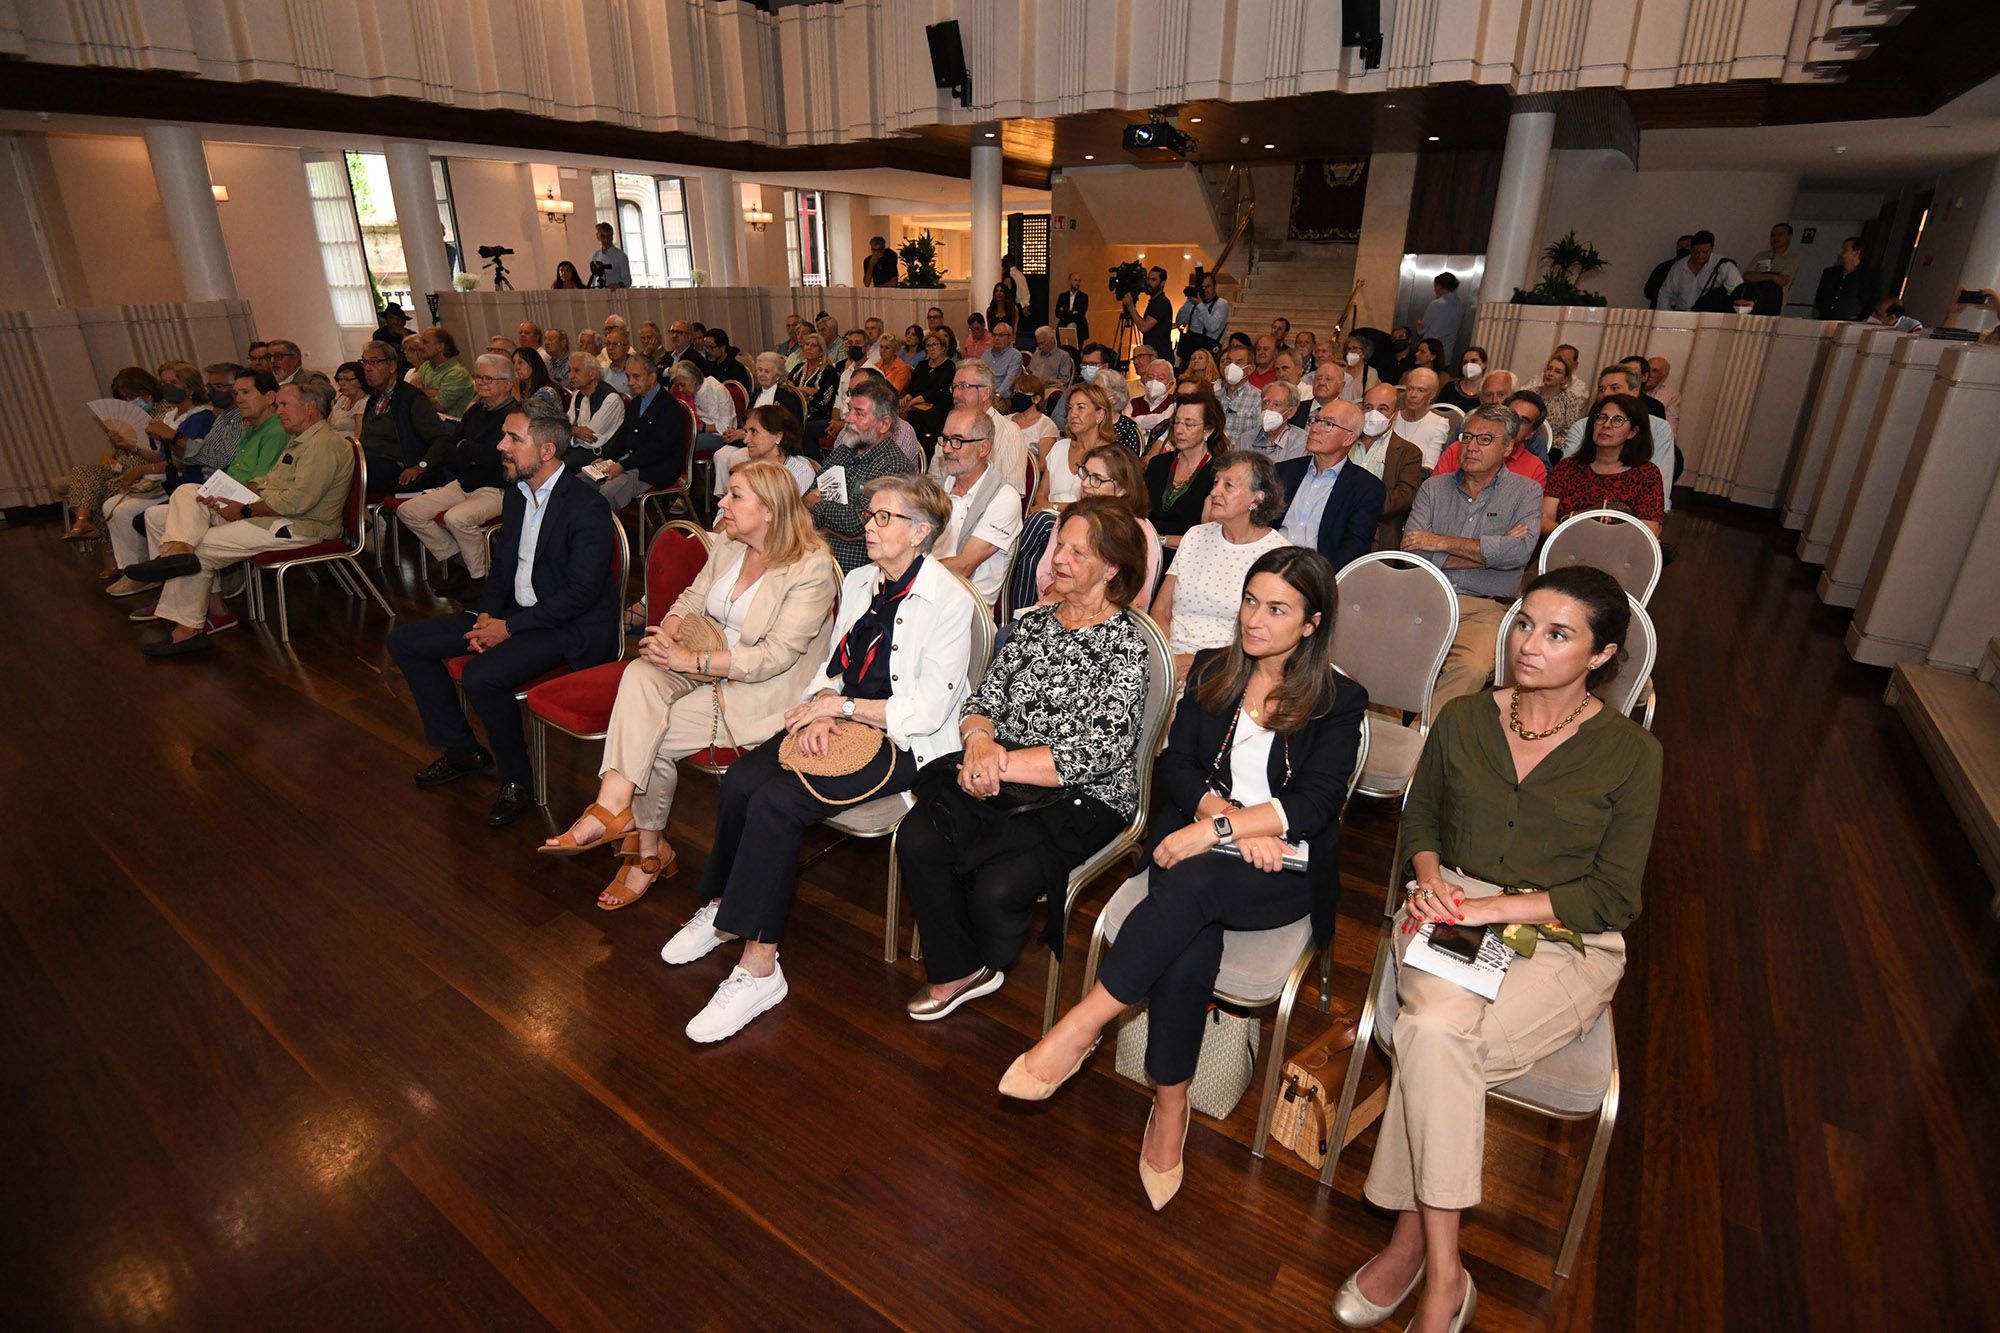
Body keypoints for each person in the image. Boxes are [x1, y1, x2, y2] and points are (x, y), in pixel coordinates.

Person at [1338, 565, 1660, 1333]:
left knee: (1429, 1040)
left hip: (1566, 938)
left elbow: (1615, 895)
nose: (1528, 644)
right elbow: (1421, 826)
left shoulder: (1632, 755)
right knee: (1440, 1033)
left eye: (1558, 634)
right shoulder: (1465, 719)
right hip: (1450, 906)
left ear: (1602, 655)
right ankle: (1448, 1273)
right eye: (1524, 623)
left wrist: (1496, 905)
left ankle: (1415, 1244)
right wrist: (1427, 879)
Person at [1003, 546, 1366, 1208]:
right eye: (1250, 602)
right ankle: (1171, 1107)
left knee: (1191, 880)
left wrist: (1220, 832)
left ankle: (1083, 1025)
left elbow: (1314, 804)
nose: (1255, 619)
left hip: (1283, 866)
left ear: (1312, 623)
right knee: (1189, 934)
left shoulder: (1339, 699)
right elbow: (1175, 766)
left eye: (1276, 609)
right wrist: (1227, 820)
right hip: (1220, 842)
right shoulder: (1214, 671)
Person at [660, 474, 978, 1040]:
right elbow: (832, 667)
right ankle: (725, 906)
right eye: (870, 515)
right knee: (739, 782)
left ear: (922, 532)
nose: (869, 526)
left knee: (778, 804)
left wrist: (844, 708)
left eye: (885, 518)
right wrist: (821, 708)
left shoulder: (949, 601)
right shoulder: (859, 581)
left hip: (906, 744)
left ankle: (760, 968)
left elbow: (927, 711)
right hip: (844, 718)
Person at [898, 498, 1154, 1021]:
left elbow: (1098, 751)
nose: (1058, 558)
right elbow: (983, 701)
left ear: (1111, 569)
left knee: (997, 886)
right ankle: (956, 969)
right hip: (1004, 771)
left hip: (1083, 794)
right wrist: (977, 744)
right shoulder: (1034, 624)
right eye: (1060, 544)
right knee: (919, 836)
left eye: (1076, 552)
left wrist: (997, 765)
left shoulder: (1127, 644)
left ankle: (988, 955)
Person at [545, 460, 841, 909]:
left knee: (651, 731)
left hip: (759, 690)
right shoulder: (729, 543)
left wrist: (689, 658)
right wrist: (669, 630)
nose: (721, 501)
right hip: (702, 664)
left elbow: (775, 657)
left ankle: (643, 850)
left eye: (735, 495)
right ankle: (616, 807)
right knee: (641, 674)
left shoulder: (811, 566)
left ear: (770, 511)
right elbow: (689, 598)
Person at [390, 399, 618, 826]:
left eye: (514, 438)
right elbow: (502, 570)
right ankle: (463, 749)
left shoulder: (585, 506)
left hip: (567, 625)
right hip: (517, 613)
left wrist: (508, 628)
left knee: (482, 675)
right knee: (405, 641)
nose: (501, 445)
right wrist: (484, 617)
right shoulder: (516, 496)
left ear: (546, 451)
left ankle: (518, 781)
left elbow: (580, 596)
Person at [126, 380, 354, 657]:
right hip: (269, 514)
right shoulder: (301, 439)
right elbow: (268, 479)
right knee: (188, 492)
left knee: (204, 547)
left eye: (284, 404)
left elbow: (298, 502)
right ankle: (178, 550)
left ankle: (187, 630)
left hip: (300, 527)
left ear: (310, 407)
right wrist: (244, 494)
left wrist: (245, 509)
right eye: (278, 404)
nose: (278, 410)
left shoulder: (323, 445)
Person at [1400, 413, 1545, 709]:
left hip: (1485, 607)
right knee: (1386, 649)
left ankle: (1420, 742)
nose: (1472, 446)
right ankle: (1381, 736)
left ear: (1507, 448)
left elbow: (1519, 553)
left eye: (1485, 439)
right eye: (1466, 437)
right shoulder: (1434, 488)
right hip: (1427, 597)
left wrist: (1438, 541)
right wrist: (1491, 554)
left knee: (1472, 667)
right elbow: (1413, 555)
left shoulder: (1525, 491)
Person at [1152, 450, 1291, 681]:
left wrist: (1198, 663)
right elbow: (1161, 609)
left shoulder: (1277, 555)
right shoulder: (1195, 536)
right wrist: (1167, 657)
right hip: (1169, 658)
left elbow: (1268, 638)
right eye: (1216, 483)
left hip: (1227, 668)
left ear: (1257, 498)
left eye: (1229, 486)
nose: (1215, 492)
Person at [396, 354, 520, 598]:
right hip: (465, 482)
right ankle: (465, 562)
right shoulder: (476, 412)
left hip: (498, 488)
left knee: (456, 518)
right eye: (478, 377)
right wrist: (469, 451)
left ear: (507, 384)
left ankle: (480, 578)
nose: (481, 383)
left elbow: (498, 459)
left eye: (488, 378)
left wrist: (467, 449)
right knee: (409, 511)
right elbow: (450, 447)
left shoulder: (515, 415)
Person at [809, 379, 916, 573]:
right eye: (849, 410)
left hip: (853, 571)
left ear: (883, 424)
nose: (848, 418)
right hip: (816, 555)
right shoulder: (843, 451)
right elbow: (805, 501)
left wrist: (818, 506)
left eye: (859, 413)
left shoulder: (894, 467)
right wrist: (830, 522)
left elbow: (856, 523)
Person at [1274, 399, 1385, 574]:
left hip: (1317, 575)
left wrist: (1320, 582)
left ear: (1349, 438)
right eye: (1315, 420)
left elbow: (1353, 549)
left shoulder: (1366, 488)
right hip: (1270, 564)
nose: (1315, 428)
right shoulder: (1283, 471)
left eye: (1328, 424)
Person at [933, 408, 1023, 603]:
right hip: (924, 593)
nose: (947, 449)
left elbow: (964, 565)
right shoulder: (937, 489)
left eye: (958, 441)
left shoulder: (1004, 498)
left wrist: (908, 570)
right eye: (946, 439)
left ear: (983, 448)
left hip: (967, 609)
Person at [1542, 394, 1665, 536]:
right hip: (1565, 546)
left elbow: (1649, 530)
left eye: (1618, 420)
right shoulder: (1568, 467)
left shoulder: (1647, 475)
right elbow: (1545, 519)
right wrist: (1573, 538)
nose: (1606, 425)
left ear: (1633, 432)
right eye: (1602, 417)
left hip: (1618, 553)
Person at [1556, 366, 1678, 504]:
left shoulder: (1659, 428)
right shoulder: (1581, 426)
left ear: (1635, 392)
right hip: (1579, 504)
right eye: (1601, 389)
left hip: (1634, 507)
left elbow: (1661, 483)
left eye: (1614, 388)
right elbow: (1569, 476)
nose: (1606, 394)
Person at [590, 355, 695, 511]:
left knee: (606, 493)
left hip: (656, 468)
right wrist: (606, 459)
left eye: (636, 377)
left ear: (652, 377)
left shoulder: (669, 407)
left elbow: (659, 449)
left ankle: (601, 534)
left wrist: (622, 465)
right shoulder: (637, 402)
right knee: (584, 481)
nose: (630, 382)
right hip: (634, 461)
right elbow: (624, 437)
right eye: (628, 376)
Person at [355, 340, 449, 496]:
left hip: (398, 466)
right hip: (370, 462)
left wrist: (421, 466)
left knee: (350, 469)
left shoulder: (411, 398)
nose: (367, 368)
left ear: (392, 366)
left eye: (375, 362)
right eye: (364, 362)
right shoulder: (374, 398)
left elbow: (441, 439)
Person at [929, 359, 1028, 495]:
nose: (955, 395)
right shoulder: (949, 429)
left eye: (964, 386)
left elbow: (1013, 491)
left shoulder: (1010, 433)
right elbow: (933, 481)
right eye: (954, 387)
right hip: (945, 506)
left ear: (986, 393)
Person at [1349, 381, 1425, 551]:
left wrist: (1354, 509)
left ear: (1395, 414)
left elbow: (1403, 497)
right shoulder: (1345, 442)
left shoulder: (1409, 453)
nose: (1373, 414)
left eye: (1382, 409)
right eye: (1368, 407)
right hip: (1335, 526)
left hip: (1377, 533)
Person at [1145, 393, 1224, 547]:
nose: (1179, 430)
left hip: (1190, 556)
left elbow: (1211, 536)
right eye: (1176, 422)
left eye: (1189, 425)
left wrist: (1158, 540)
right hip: (1146, 550)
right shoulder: (1158, 464)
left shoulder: (1218, 474)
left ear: (1208, 430)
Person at [1432, 399, 1547, 489]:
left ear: (1531, 433)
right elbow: (1434, 493)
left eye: (1523, 421)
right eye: (1509, 416)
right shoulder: (1458, 449)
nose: (1472, 447)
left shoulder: (1535, 468)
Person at [711, 403, 816, 499]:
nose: (745, 439)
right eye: (746, 432)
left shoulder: (799, 472)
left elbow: (795, 517)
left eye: (754, 432)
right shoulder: (746, 466)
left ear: (778, 437)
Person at [1658, 230, 1744, 312]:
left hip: (1710, 316)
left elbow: (1738, 293)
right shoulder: (1678, 267)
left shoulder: (1724, 266)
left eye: (1704, 252)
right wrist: (1664, 316)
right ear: (1691, 250)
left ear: (1711, 249)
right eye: (1696, 252)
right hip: (1682, 314)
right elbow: (1665, 293)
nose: (1700, 255)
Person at [563, 354, 626, 467]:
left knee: (562, 464)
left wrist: (570, 430)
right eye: (569, 370)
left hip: (599, 454)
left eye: (576, 371)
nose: (570, 376)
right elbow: (564, 424)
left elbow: (590, 439)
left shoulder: (611, 399)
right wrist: (575, 431)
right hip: (577, 448)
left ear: (592, 374)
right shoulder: (578, 394)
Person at [901, 331, 955, 447]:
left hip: (937, 409)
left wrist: (914, 401)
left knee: (914, 419)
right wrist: (909, 396)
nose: (931, 348)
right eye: (928, 346)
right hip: (915, 407)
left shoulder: (949, 366)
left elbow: (938, 391)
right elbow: (912, 387)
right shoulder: (922, 365)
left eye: (935, 344)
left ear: (943, 348)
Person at [1391, 368, 1452, 470]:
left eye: (1421, 390)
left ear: (1432, 395)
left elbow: (1429, 468)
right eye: (1410, 389)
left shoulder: (1438, 424)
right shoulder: (1392, 418)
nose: (1413, 395)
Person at [1814, 236, 1881, 322]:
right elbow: (1820, 296)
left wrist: (1859, 317)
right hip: (1824, 320)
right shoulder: (1829, 273)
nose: (1840, 253)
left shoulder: (1869, 276)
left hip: (1851, 323)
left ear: (1856, 253)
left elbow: (1872, 302)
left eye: (1844, 250)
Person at [414, 328, 475, 418]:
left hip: (453, 425)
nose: (420, 346)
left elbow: (440, 406)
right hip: (432, 422)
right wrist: (434, 392)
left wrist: (419, 392)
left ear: (440, 347)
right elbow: (411, 390)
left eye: (425, 342)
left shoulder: (456, 373)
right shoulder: (426, 366)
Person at [1176, 270, 1230, 369]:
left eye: (1208, 286)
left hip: (1209, 355)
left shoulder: (1222, 304)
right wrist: (1189, 301)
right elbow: (1179, 321)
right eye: (1202, 287)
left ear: (1215, 286)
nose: (1205, 290)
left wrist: (1200, 305)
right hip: (1190, 354)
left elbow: (1212, 326)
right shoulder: (1194, 302)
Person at [1124, 265, 1176, 365]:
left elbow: (1144, 327)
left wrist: (1131, 307)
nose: (1149, 283)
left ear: (1162, 283)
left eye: (1153, 280)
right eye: (1148, 279)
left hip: (1161, 359)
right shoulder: (1154, 301)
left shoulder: (1162, 303)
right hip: (1153, 357)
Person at [1246, 380, 1307, 464]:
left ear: (1291, 412)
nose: (1268, 408)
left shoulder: (1301, 441)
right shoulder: (1245, 439)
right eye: (1265, 403)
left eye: (1276, 404)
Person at [1744, 222, 1801, 304]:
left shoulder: (1793, 258)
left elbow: (1782, 280)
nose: (1776, 238)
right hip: (1754, 300)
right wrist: (1772, 276)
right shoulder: (1761, 255)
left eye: (1780, 234)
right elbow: (1747, 276)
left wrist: (1759, 276)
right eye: (1773, 235)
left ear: (1789, 237)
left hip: (1775, 303)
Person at [1416, 273, 1466, 364]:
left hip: (1430, 353)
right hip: (1446, 354)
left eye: (1435, 287)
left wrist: (1419, 325)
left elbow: (1422, 329)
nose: (1434, 290)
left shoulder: (1436, 304)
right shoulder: (1460, 305)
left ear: (1439, 286)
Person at [1009, 372, 1058, 460]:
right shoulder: (1005, 420)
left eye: (1022, 393)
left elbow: (1044, 464)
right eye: (1015, 392)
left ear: (1036, 399)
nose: (1016, 396)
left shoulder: (1046, 426)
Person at [1537, 356, 1581, 442]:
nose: (1550, 373)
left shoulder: (1570, 400)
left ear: (1565, 379)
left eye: (1557, 372)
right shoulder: (1530, 393)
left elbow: (1570, 433)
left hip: (1554, 450)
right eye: (1549, 369)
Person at [1643, 234, 1694, 308]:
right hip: (1661, 312)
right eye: (1680, 247)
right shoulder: (1663, 267)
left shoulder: (1699, 270)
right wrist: (1667, 296)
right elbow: (1648, 291)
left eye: (1687, 247)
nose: (1683, 249)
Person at [1435, 346, 1484, 412]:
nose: (1469, 365)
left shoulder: (1489, 391)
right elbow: (1437, 411)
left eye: (1474, 361)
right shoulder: (1449, 388)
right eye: (1465, 362)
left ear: (1484, 364)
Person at [1026, 325, 1074, 391]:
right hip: (1033, 387)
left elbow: (1064, 380)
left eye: (1042, 343)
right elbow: (1028, 372)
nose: (1040, 346)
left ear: (1052, 339)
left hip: (1051, 389)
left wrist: (1047, 381)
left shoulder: (1063, 356)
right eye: (1038, 344)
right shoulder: (1036, 354)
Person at [984, 321, 1024, 399]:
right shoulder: (986, 354)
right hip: (984, 395)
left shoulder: (1015, 356)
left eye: (1001, 335)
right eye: (994, 335)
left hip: (1002, 397)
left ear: (1010, 338)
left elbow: (1009, 382)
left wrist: (996, 395)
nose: (996, 338)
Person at [328, 361, 366, 437]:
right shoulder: (342, 399)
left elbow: (358, 438)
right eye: (339, 379)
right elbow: (328, 425)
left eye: (347, 379)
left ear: (361, 381)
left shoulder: (364, 403)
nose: (342, 383)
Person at [588, 222, 631, 288]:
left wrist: (618, 285)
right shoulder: (595, 256)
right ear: (598, 237)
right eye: (603, 236)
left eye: (608, 236)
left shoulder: (621, 256)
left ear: (612, 237)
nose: (606, 240)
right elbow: (594, 278)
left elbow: (627, 280)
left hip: (616, 295)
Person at [1644, 356, 1681, 433]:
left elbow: (1671, 426)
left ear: (1663, 376)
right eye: (1647, 369)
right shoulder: (1631, 387)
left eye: (1655, 371)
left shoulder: (1671, 394)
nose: (1649, 374)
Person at [1055, 273, 1090, 342]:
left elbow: (1080, 314)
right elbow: (1057, 313)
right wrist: (1072, 312)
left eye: (1079, 281)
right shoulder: (1062, 296)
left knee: (1076, 351)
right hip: (1063, 326)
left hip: (1079, 328)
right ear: (1069, 281)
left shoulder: (1084, 297)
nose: (1077, 283)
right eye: (1075, 280)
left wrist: (1065, 313)